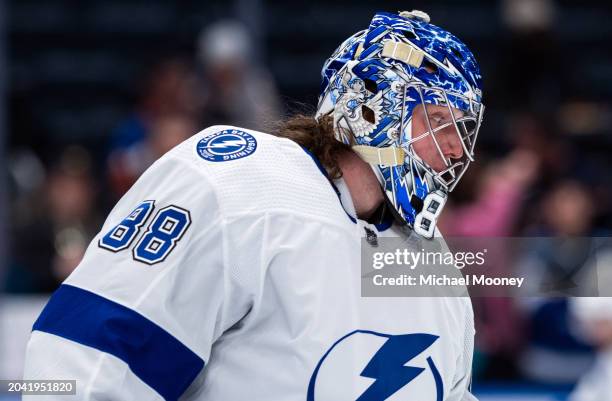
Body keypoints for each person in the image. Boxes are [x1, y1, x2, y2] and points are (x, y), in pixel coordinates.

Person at [23, 10, 484, 401]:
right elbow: (89, 358)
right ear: (372, 106)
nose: (456, 150)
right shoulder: (237, 184)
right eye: (440, 121)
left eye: (462, 129)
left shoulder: (430, 260)